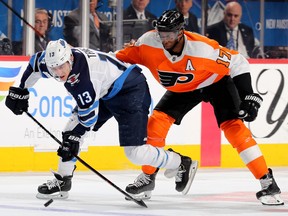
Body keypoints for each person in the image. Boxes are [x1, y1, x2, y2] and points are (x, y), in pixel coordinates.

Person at [113, 9, 284, 205]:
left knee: (234, 129)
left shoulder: (203, 49)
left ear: (180, 32)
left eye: (169, 34)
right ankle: (148, 177)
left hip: (217, 82)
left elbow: (238, 61)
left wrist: (247, 95)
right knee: (156, 123)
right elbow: (117, 58)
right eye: (161, 34)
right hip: (185, 88)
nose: (164, 39)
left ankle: (267, 182)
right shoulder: (148, 43)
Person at [5, 38, 197, 200]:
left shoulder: (83, 80)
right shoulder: (54, 62)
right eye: (54, 68)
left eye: (62, 67)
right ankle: (63, 181)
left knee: (135, 152)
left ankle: (180, 162)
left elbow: (88, 118)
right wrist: (20, 90)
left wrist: (74, 138)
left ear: (70, 58)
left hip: (131, 89)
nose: (58, 73)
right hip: (107, 88)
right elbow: (33, 65)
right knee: (70, 131)